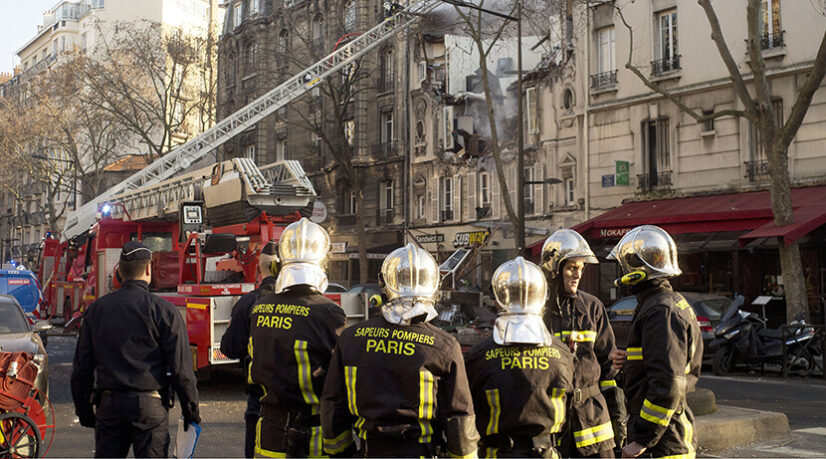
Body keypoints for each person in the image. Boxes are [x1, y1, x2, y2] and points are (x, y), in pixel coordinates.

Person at [321, 243, 479, 458]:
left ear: (383, 283)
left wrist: (341, 454)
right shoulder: (445, 346)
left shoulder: (350, 339)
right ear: (433, 285)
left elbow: (333, 404)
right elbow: (459, 419)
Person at [71, 241, 200, 458]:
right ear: (149, 269)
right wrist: (191, 411)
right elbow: (181, 370)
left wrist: (84, 411)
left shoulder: (97, 311)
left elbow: (82, 368)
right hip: (150, 406)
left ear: (119, 272)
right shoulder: (165, 311)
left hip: (109, 405)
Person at [248, 218, 346, 457]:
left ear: (279, 265)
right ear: (322, 263)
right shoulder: (329, 312)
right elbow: (340, 380)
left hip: (269, 433)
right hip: (312, 436)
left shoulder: (260, 307)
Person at [607, 225, 702, 459]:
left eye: (624, 265)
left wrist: (642, 439)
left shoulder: (661, 311)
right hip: (664, 437)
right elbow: (655, 372)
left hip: (663, 444)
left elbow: (667, 383)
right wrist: (627, 367)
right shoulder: (661, 303)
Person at [465, 256, 574, 458]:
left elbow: (467, 414)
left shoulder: (478, 356)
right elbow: (571, 411)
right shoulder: (563, 353)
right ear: (542, 297)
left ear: (498, 300)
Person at [540, 229, 623, 458]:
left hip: (594, 419)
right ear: (555, 270)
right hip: (554, 421)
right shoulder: (539, 311)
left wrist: (617, 414)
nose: (577, 274)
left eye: (581, 268)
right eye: (571, 268)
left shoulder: (593, 307)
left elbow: (609, 366)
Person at [220, 241, 280, 458]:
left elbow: (230, 348)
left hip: (259, 400)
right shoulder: (308, 305)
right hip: (300, 405)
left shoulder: (247, 303)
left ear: (260, 269)